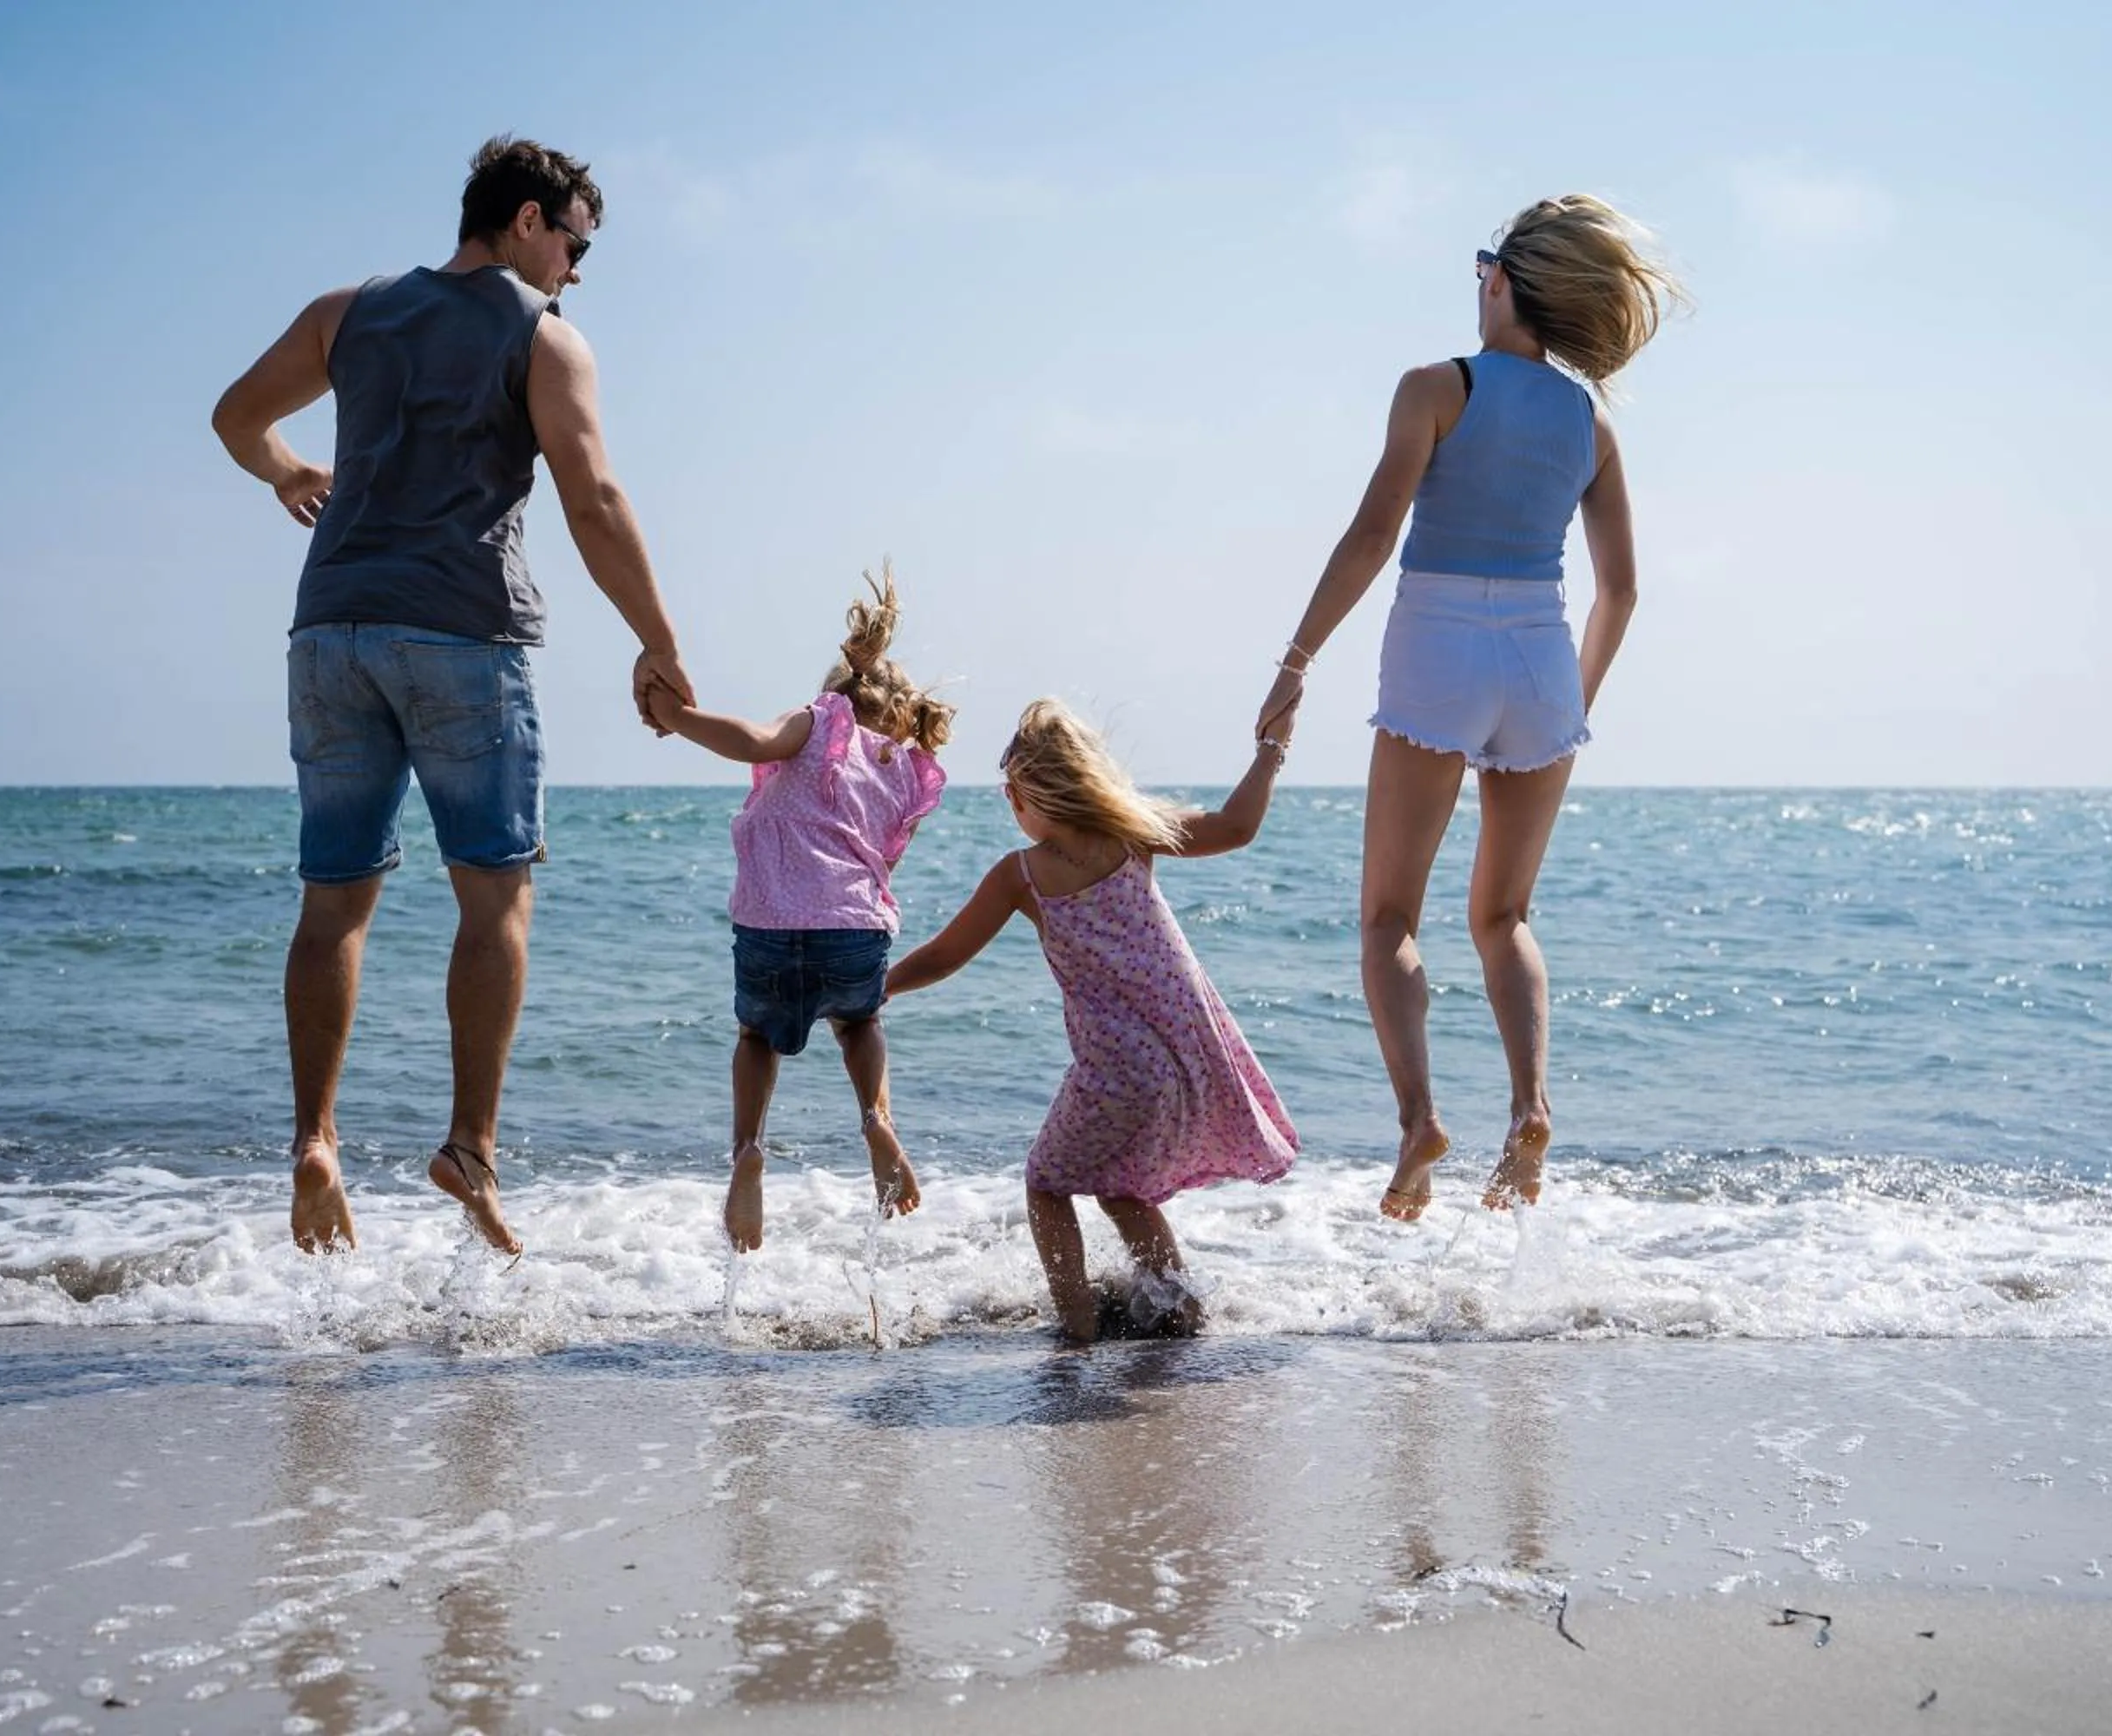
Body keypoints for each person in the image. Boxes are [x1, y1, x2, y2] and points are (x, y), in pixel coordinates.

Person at [209, 135, 696, 1257]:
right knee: (495, 900)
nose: (578, 270)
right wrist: (660, 641)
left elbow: (237, 415)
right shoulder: (544, 337)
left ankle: (315, 1142)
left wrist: (289, 472)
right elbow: (595, 499)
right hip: (463, 637)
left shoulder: (351, 311)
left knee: (335, 901)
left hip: (330, 631)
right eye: (577, 245)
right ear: (528, 222)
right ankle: (469, 1148)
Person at [1253, 194, 1682, 1223]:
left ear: (1504, 279)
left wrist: (1296, 658)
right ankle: (1530, 1106)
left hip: (1438, 640)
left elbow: (1371, 531)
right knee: (1503, 914)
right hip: (1543, 654)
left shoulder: (1434, 387)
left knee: (1390, 917)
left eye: (1484, 262)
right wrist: (1569, 699)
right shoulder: (1590, 421)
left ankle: (1418, 1122)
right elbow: (1621, 588)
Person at [884, 700, 1299, 1345]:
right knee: (1123, 1190)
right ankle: (1183, 1312)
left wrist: (878, 987)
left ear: (1028, 795)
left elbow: (945, 954)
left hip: (1115, 1070)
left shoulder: (1021, 874)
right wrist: (1272, 751)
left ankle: (1075, 1328)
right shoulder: (1134, 833)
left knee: (1046, 1183)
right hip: (1187, 1061)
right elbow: (1236, 826)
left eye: (1011, 793)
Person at [643, 568, 950, 1253]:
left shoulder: (819, 722)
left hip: (771, 926)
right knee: (860, 1020)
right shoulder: (907, 769)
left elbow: (752, 741)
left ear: (842, 693)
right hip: (854, 929)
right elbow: (882, 865)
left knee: (756, 1038)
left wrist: (676, 718)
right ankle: (875, 1121)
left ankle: (750, 1148)